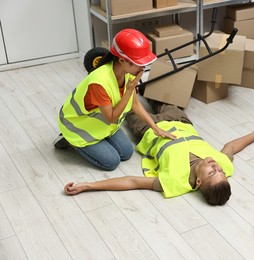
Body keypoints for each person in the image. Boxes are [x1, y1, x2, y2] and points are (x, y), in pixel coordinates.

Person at [64, 101, 254, 205]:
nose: (215, 166)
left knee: (125, 108)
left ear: (198, 183)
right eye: (219, 170)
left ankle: (78, 129)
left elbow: (133, 182)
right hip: (180, 121)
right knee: (160, 94)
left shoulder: (174, 182)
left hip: (149, 130)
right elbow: (231, 147)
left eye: (212, 172)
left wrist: (87, 186)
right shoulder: (223, 166)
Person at [53, 29, 175, 171]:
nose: (143, 68)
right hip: (78, 127)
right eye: (139, 63)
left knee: (126, 153)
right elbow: (111, 117)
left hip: (102, 126)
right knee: (111, 162)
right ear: (122, 60)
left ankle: (100, 141)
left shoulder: (129, 72)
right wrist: (129, 91)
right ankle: (69, 141)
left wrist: (155, 127)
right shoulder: (99, 82)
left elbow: (135, 104)